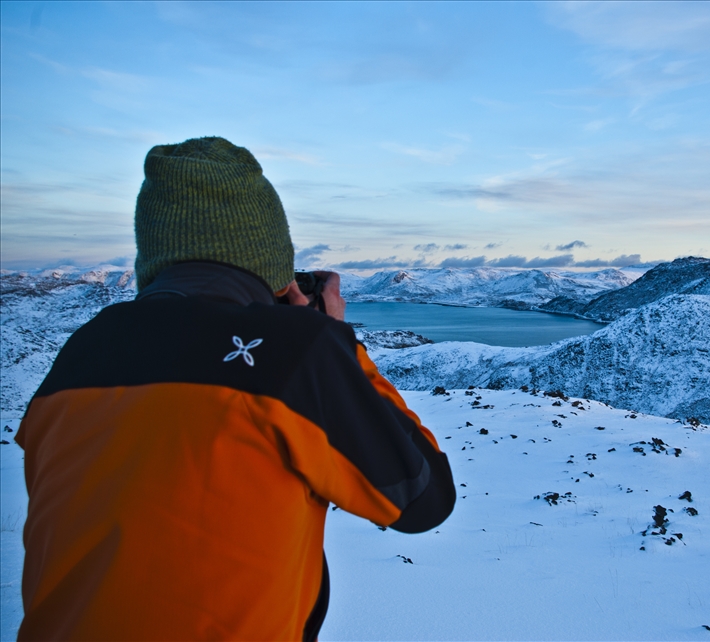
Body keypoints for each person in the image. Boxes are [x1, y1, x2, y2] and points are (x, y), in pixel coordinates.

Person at [14, 136, 456, 641]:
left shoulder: (82, 352)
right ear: (270, 259)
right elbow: (423, 499)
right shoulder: (295, 353)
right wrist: (335, 344)